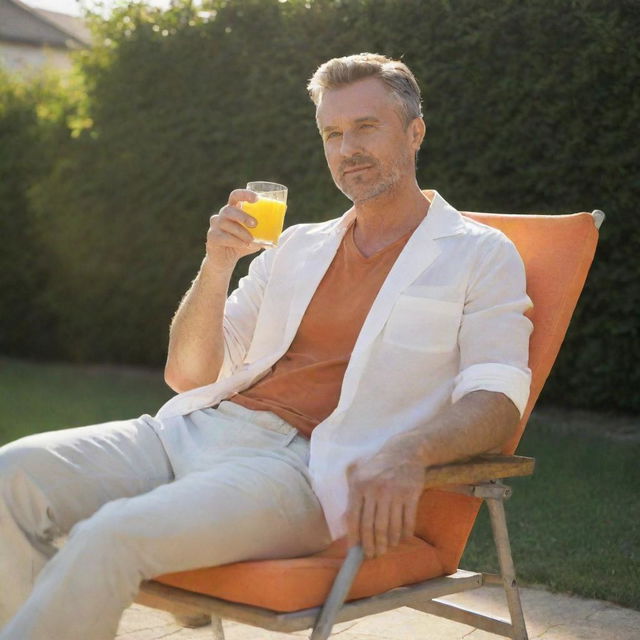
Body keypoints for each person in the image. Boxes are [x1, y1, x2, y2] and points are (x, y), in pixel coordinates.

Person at [0, 53, 532, 640]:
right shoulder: (295, 246)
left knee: (110, 535)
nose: (346, 148)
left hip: (298, 469)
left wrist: (409, 453)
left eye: (365, 127)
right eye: (332, 133)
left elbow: (498, 397)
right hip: (196, 428)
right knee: (12, 476)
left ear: (415, 131)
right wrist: (217, 262)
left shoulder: (478, 253)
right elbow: (189, 375)